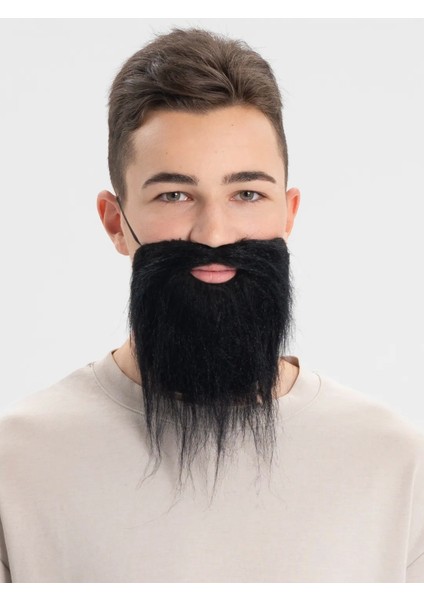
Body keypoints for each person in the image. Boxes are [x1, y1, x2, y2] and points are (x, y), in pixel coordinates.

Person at [0, 27, 423, 584]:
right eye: (174, 195)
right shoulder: (19, 460)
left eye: (247, 194)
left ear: (288, 213)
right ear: (115, 221)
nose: (215, 233)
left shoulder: (393, 462)